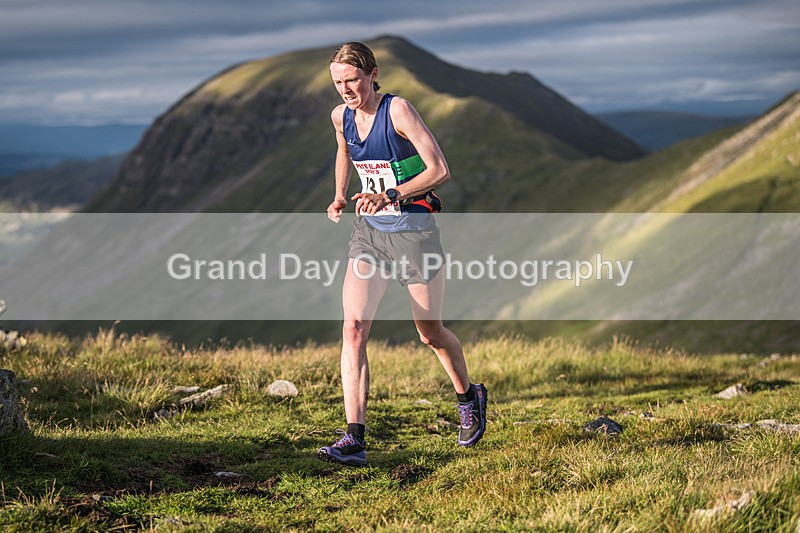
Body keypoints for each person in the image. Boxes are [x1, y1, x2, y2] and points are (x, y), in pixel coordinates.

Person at [317, 42, 487, 466]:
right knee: (354, 327)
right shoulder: (341, 117)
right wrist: (340, 195)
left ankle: (469, 396)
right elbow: (344, 150)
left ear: (373, 74)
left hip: (415, 232)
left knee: (429, 332)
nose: (346, 90)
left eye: (353, 80)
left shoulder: (398, 111)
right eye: (338, 83)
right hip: (368, 234)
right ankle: (354, 436)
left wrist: (389, 194)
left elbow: (439, 170)